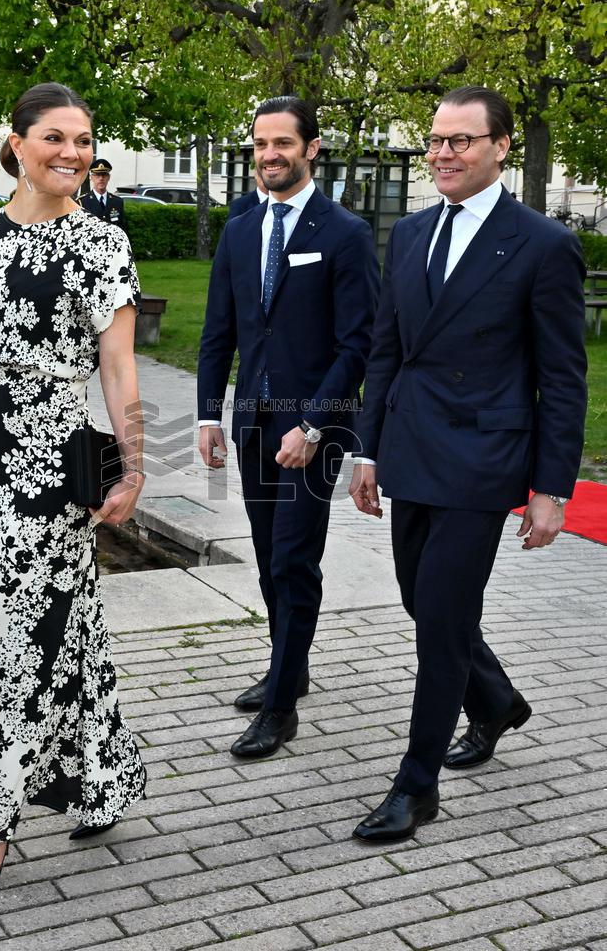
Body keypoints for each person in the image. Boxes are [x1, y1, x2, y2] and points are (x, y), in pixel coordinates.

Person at [0, 82, 147, 890]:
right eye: (54, 137)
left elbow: (119, 367)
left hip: (56, 466)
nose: (71, 154)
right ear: (14, 144)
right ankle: (104, 779)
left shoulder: (101, 244)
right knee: (66, 627)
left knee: (15, 647)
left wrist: (134, 463)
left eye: (83, 140)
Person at [350, 86, 587, 844]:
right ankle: (494, 702)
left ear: (501, 147)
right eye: (436, 140)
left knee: (440, 624)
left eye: (461, 141)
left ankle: (415, 787)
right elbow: (386, 347)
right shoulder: (411, 233)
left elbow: (565, 376)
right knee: (425, 605)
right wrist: (365, 446)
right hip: (410, 448)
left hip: (484, 459)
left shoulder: (542, 244)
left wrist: (552, 489)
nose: (443, 153)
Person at [198, 95, 379, 759]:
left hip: (316, 426)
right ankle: (289, 665)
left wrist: (312, 425)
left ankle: (280, 709)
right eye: (259, 144)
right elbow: (219, 332)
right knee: (268, 553)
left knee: (294, 559)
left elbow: (358, 344)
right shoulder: (241, 229)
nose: (268, 154)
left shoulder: (344, 233)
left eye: (282, 143)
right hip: (252, 421)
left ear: (311, 148)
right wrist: (205, 414)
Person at [78, 157, 127, 231]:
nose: (101, 178)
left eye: (104, 175)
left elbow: (122, 228)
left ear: (109, 177)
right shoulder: (82, 202)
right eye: (97, 175)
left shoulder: (117, 202)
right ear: (91, 177)